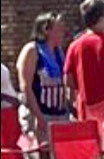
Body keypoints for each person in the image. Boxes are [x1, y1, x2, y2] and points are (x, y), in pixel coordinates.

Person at [17, 13, 70, 146]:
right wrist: (39, 117)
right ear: (46, 30)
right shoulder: (32, 50)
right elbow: (26, 86)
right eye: (59, 28)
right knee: (41, 155)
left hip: (59, 114)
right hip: (40, 113)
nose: (63, 31)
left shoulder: (59, 52)